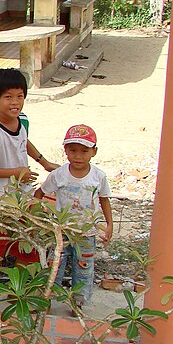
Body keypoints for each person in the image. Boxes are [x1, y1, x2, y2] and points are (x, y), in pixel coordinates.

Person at [0, 68, 58, 263]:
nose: (15, 102)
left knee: (26, 245)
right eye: (8, 97)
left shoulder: (22, 120)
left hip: (21, 198)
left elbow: (23, 141)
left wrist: (44, 162)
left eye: (20, 96)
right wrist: (15, 173)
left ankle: (24, 288)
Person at [34, 124, 113, 305]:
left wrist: (109, 225)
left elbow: (104, 200)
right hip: (61, 231)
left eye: (84, 151)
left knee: (84, 268)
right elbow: (40, 193)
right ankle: (47, 300)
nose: (78, 155)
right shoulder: (58, 175)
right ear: (65, 151)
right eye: (73, 150)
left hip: (86, 232)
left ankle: (79, 302)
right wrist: (38, 216)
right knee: (55, 266)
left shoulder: (98, 177)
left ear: (94, 152)